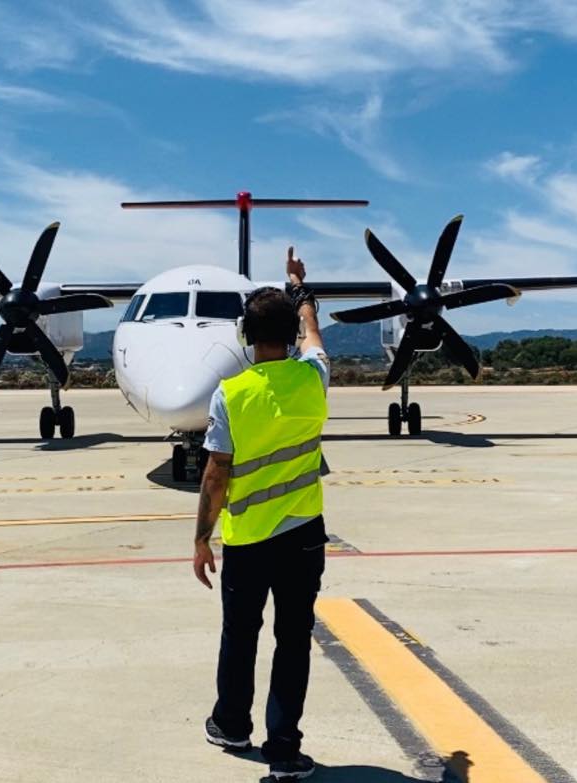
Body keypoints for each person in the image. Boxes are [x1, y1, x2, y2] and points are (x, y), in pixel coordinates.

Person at [192, 246, 330, 780]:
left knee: (240, 632)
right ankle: (285, 748)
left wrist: (202, 538)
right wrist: (301, 291)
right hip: (303, 536)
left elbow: (214, 475)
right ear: (291, 335)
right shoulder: (314, 378)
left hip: (247, 540)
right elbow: (314, 336)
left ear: (245, 338)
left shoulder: (230, 394)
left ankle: (230, 723)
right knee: (293, 639)